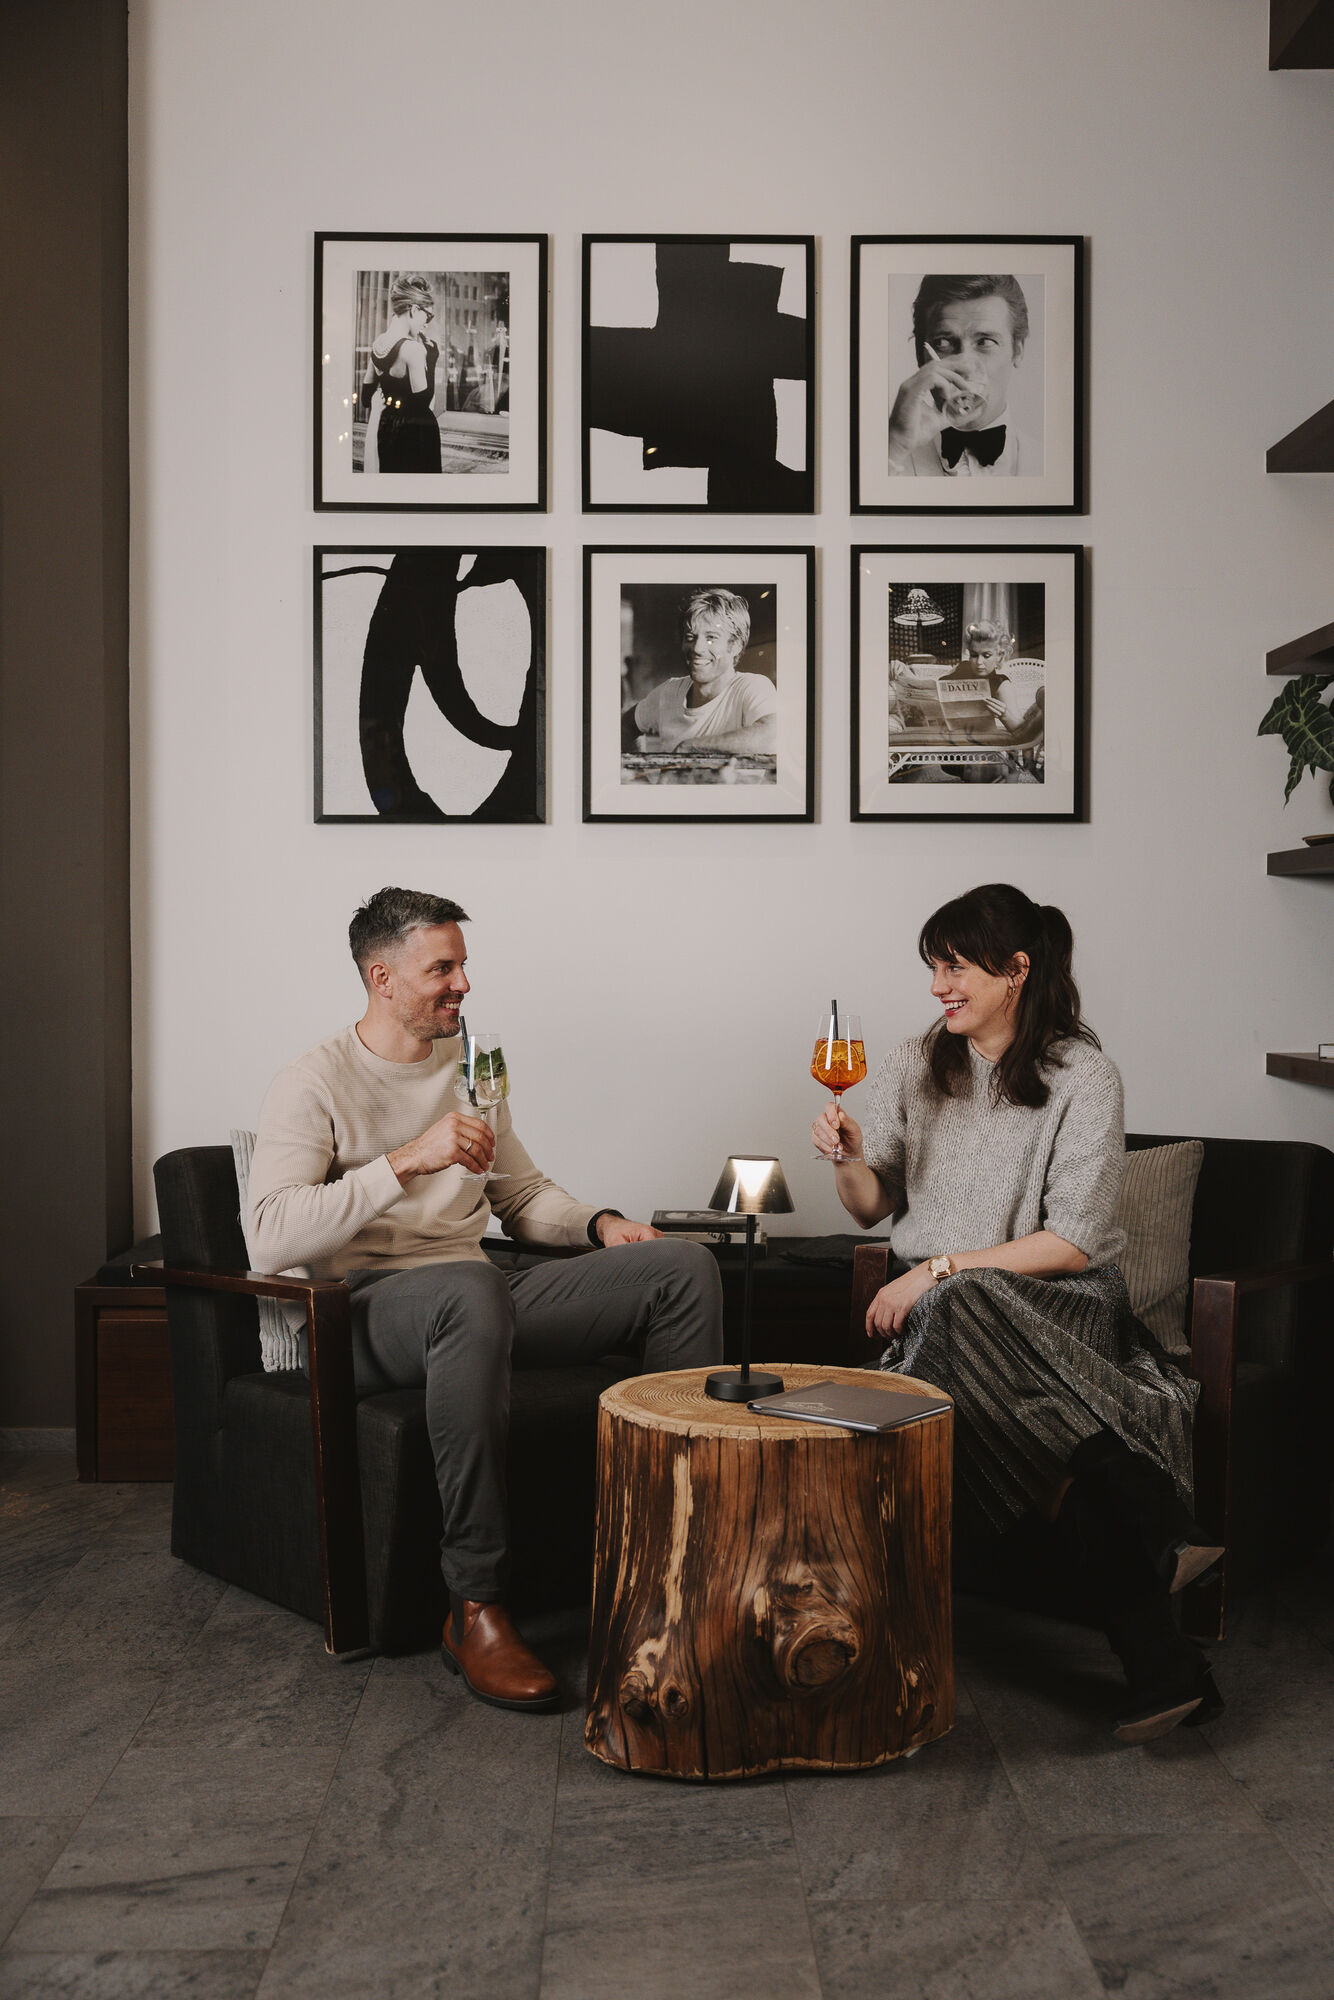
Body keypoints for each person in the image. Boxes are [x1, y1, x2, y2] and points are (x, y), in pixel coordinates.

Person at [247, 887, 724, 1712]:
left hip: (479, 1299)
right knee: (469, 1289)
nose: (463, 983)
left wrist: (599, 1224)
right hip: (367, 1313)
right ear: (382, 977)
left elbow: (521, 1194)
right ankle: (475, 1606)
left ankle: (671, 1564)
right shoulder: (313, 1080)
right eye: (443, 968)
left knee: (681, 1267)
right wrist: (408, 1159)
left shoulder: (471, 1063)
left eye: (463, 965)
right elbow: (269, 1237)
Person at [812, 883, 1223, 1743]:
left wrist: (934, 1274)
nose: (937, 986)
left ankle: (1155, 1606)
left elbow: (1072, 1244)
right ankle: (1162, 1632)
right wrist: (847, 1160)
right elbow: (870, 1205)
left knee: (962, 1304)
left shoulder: (1084, 1075)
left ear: (1017, 970)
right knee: (1022, 1420)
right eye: (933, 967)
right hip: (963, 1326)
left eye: (954, 966)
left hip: (1061, 1310)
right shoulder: (915, 1062)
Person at [888, 275, 1040, 479]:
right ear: (920, 356)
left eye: (985, 342)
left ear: (1018, 351)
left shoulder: (1051, 464)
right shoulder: (887, 456)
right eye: (943, 343)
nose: (964, 367)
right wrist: (895, 447)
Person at [632, 588, 778, 756]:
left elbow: (772, 736)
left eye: (711, 638)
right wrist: (639, 769)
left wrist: (689, 747)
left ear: (735, 645)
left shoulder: (751, 687)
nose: (697, 648)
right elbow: (624, 727)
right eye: (690, 637)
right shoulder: (668, 692)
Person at [360, 275, 442, 474]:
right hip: (416, 436)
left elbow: (365, 399)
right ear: (414, 310)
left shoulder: (378, 343)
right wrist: (432, 359)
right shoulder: (413, 349)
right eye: (428, 316)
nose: (427, 323)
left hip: (386, 431)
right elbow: (423, 404)